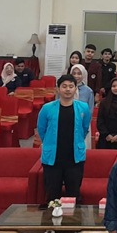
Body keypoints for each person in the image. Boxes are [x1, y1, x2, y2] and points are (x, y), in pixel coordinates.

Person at [37, 75, 91, 203]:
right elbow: (42, 130)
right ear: (58, 89)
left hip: (74, 159)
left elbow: (84, 129)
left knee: (74, 195)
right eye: (64, 86)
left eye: (71, 86)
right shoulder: (47, 108)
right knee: (52, 196)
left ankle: (73, 217)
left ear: (75, 89)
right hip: (53, 159)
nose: (67, 89)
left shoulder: (83, 107)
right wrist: (49, 143)